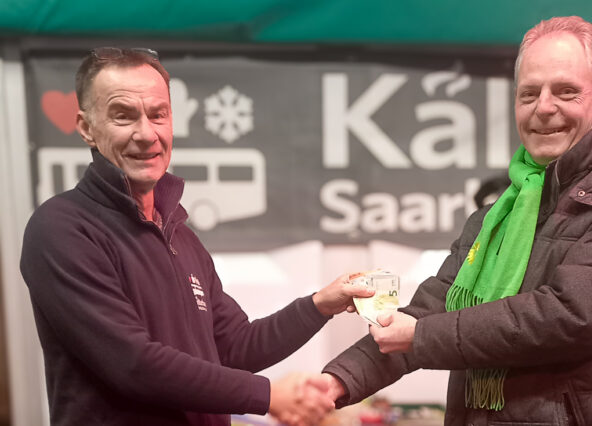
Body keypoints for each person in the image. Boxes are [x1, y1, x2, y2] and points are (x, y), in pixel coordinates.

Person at [320, 16, 592, 426]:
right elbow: (433, 306)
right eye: (529, 94)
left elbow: (570, 317)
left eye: (565, 91)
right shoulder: (500, 210)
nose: (544, 107)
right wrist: (337, 381)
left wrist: (420, 339)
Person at [20, 47, 374, 426]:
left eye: (158, 114)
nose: (146, 134)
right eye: (123, 116)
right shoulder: (62, 227)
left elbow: (236, 347)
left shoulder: (181, 237)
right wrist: (268, 395)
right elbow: (133, 363)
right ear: (87, 127)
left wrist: (322, 303)